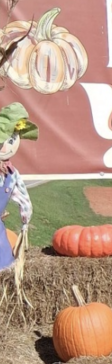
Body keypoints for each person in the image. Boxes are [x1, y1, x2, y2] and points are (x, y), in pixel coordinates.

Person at [0, 102, 37, 274]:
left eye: (13, 140)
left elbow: (24, 199)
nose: (8, 146)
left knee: (4, 265)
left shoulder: (11, 174)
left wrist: (25, 222)